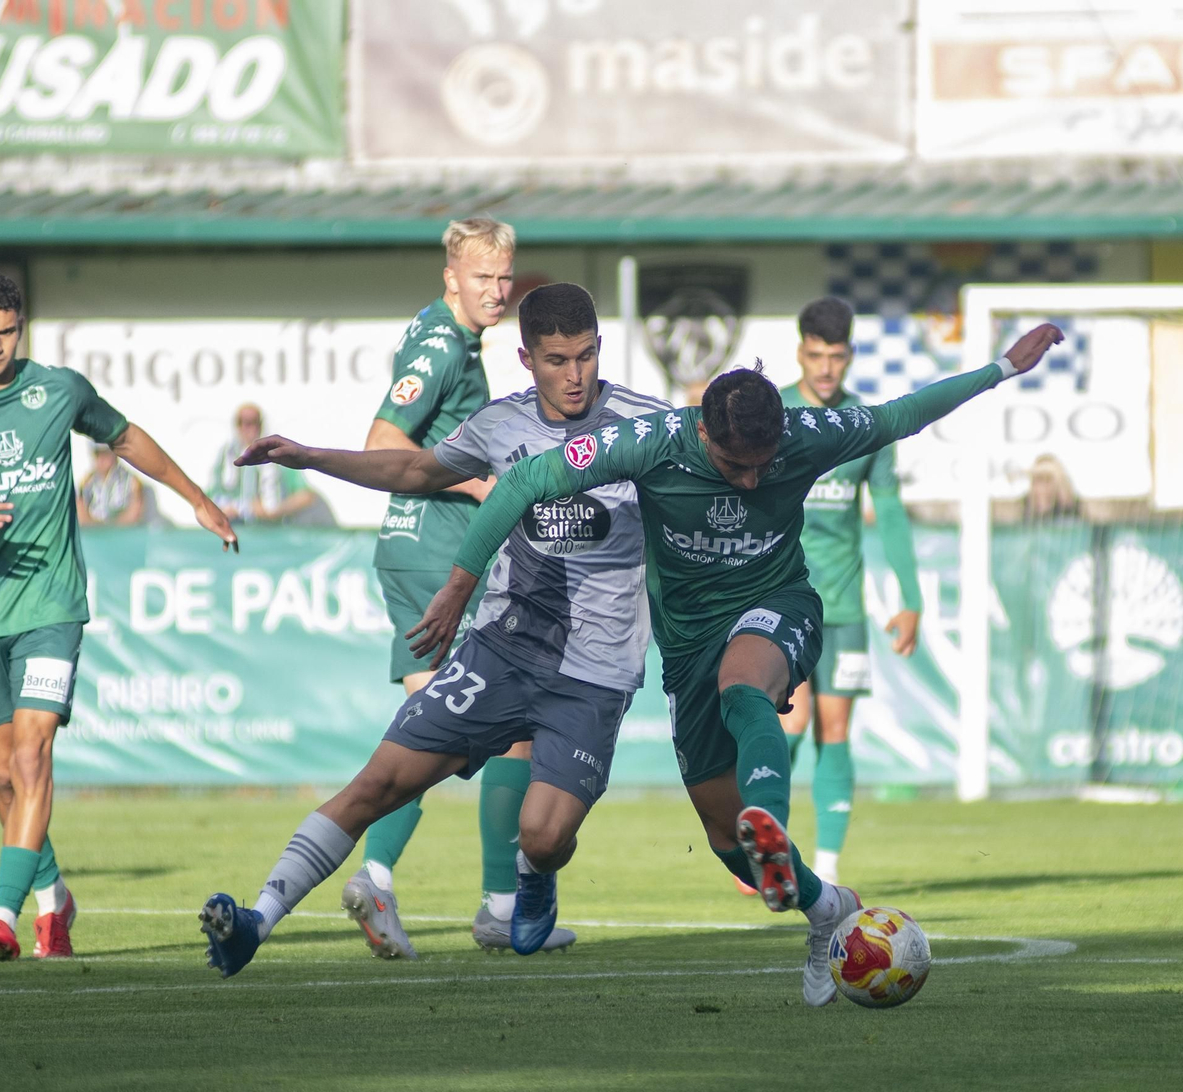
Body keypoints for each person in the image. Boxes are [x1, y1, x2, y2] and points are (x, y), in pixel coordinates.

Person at [403, 323, 1064, 1005]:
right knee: (723, 835)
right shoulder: (654, 439)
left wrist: (1000, 370)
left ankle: (770, 820)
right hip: (687, 645)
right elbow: (527, 482)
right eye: (736, 464)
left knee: (743, 684)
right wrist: (459, 583)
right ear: (708, 436)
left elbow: (902, 414)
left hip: (778, 603)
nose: (752, 477)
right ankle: (826, 905)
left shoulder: (807, 433)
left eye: (763, 463)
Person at [199, 283, 663, 976]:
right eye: (557, 359)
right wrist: (313, 457)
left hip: (592, 674)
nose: (575, 375)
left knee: (543, 833)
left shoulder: (646, 423)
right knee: (379, 782)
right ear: (526, 357)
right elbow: (415, 467)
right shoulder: (500, 423)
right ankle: (255, 924)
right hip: (501, 649)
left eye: (587, 356)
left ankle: (535, 875)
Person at [0, 271, 235, 961]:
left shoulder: (58, 390)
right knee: (0, 774)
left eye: (7, 332)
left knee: (31, 752)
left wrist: (196, 497)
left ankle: (4, 916)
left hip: (52, 605)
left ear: (23, 329)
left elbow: (126, 437)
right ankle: (55, 898)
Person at [350, 216, 554, 957]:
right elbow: (382, 443)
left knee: (421, 726)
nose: (497, 292)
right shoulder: (440, 344)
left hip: (404, 551)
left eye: (505, 277)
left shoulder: (443, 335)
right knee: (518, 723)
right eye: (482, 279)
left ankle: (375, 872)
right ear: (451, 278)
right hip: (437, 557)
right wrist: (482, 484)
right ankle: (501, 904)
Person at [772, 297, 924, 888]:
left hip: (845, 607)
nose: (827, 368)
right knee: (791, 722)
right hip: (782, 603)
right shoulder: (774, 412)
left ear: (850, 354)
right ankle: (766, 843)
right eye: (816, 355)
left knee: (835, 728)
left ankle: (829, 866)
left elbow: (887, 509)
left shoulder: (868, 424)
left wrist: (910, 597)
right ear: (801, 351)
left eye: (837, 356)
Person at [209, 404, 319, 525]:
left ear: (260, 425)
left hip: (270, 535)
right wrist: (223, 509)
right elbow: (209, 495)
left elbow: (306, 496)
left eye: (253, 422)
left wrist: (274, 511)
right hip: (234, 532)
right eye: (242, 422)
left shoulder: (276, 454)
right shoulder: (226, 455)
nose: (247, 428)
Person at [77, 444, 155, 527]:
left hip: (123, 534)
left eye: (105, 454)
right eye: (98, 455)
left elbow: (135, 513)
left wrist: (112, 527)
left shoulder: (131, 480)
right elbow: (81, 514)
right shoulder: (87, 482)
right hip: (95, 534)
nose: (101, 459)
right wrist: (99, 528)